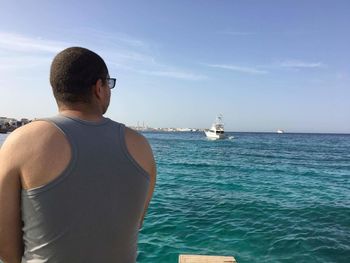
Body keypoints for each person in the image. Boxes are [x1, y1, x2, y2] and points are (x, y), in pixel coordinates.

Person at [0, 47, 156, 263]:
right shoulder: (141, 147)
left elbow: (6, 248)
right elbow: (132, 223)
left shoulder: (20, 142)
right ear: (99, 87)